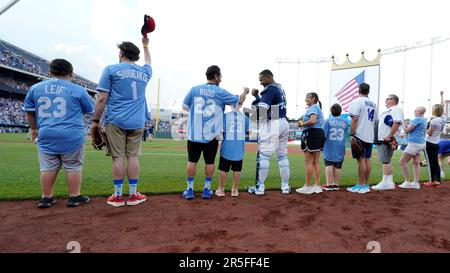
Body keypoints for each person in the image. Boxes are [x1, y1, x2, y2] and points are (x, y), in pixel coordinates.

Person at [23, 59, 94, 209]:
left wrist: (34, 129)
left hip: (46, 133)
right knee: (73, 166)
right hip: (71, 134)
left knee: (47, 167)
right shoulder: (78, 89)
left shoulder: (36, 88)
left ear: (50, 71)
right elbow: (89, 110)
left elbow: (29, 112)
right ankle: (75, 197)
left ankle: (46, 198)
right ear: (71, 73)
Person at [92, 38, 152, 207]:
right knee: (132, 156)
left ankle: (118, 196)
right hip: (137, 120)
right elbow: (149, 62)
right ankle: (133, 195)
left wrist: (95, 121)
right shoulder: (145, 72)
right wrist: (146, 45)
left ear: (121, 54)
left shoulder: (111, 69)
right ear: (136, 56)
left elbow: (102, 98)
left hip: (116, 120)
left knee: (117, 157)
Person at [182, 65, 249, 200]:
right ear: (216, 76)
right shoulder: (220, 92)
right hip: (211, 135)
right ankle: (207, 190)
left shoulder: (194, 89)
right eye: (220, 76)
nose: (221, 79)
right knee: (210, 162)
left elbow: (184, 107)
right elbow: (239, 101)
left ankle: (190, 189)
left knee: (192, 161)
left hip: (194, 134)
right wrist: (245, 92)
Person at [247, 70, 291, 196]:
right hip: (283, 122)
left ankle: (259, 188)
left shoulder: (269, 89)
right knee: (282, 155)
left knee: (264, 156)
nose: (260, 82)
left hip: (273, 123)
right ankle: (285, 186)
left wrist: (253, 122)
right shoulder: (279, 87)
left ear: (268, 77)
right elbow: (273, 104)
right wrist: (257, 97)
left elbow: (262, 109)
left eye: (261, 79)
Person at [347, 83, 378, 194]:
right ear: (368, 91)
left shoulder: (357, 101)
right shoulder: (374, 104)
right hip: (369, 134)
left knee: (361, 160)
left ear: (359, 90)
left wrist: (351, 133)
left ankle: (360, 185)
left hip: (359, 134)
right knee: (367, 159)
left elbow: (354, 119)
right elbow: (375, 121)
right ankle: (365, 184)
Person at [215, 106, 250, 197]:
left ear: (231, 105)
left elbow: (220, 133)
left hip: (227, 145)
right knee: (237, 169)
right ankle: (234, 190)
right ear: (241, 105)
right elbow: (248, 131)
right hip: (239, 146)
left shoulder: (225, 116)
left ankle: (221, 189)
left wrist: (219, 145)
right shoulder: (245, 118)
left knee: (223, 168)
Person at [372, 94, 404, 191]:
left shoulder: (396, 109)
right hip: (383, 138)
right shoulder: (386, 111)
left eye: (388, 98)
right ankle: (388, 181)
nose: (386, 100)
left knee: (385, 160)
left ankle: (387, 182)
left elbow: (397, 122)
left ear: (394, 100)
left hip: (387, 138)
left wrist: (390, 135)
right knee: (386, 160)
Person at [296, 93, 325, 195]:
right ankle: (317, 186)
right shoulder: (317, 108)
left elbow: (312, 121)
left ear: (313, 99)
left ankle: (308, 186)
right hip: (318, 133)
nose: (306, 99)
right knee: (315, 162)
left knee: (309, 162)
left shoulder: (313, 108)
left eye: (307, 98)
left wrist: (302, 124)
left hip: (311, 133)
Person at [399, 106, 427, 190]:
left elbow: (407, 130)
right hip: (421, 143)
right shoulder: (424, 120)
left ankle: (407, 182)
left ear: (418, 112)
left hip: (414, 143)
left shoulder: (417, 119)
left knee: (402, 161)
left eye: (415, 110)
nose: (414, 111)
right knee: (416, 163)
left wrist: (403, 125)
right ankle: (415, 183)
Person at [321, 103, 348, 191]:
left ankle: (329, 185)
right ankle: (335, 184)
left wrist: (321, 145)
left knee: (329, 164)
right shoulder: (345, 121)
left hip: (329, 145)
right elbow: (345, 130)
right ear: (340, 112)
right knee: (338, 165)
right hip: (340, 145)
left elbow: (323, 134)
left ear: (331, 111)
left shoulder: (328, 120)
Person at [423, 104, 446, 187]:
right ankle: (437, 180)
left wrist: (424, 130)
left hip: (430, 143)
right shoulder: (443, 118)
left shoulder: (434, 120)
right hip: (436, 142)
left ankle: (432, 180)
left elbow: (429, 133)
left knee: (431, 163)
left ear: (434, 111)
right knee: (435, 162)